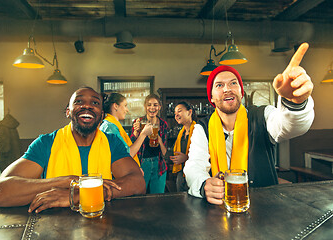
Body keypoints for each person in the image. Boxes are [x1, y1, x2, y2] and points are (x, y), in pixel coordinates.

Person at [183, 42, 315, 205]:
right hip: (220, 212)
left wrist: (294, 102)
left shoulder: (262, 115)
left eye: (233, 83)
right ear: (211, 98)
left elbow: (291, 126)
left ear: (241, 92)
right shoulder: (202, 128)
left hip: (267, 210)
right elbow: (194, 166)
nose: (227, 89)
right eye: (219, 85)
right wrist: (204, 185)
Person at [0, 87, 146, 212]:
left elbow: (138, 182)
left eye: (95, 103)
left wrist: (78, 195)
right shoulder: (46, 143)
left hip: (103, 224)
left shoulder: (111, 142)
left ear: (102, 115)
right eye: (79, 102)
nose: (87, 106)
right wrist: (68, 181)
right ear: (68, 111)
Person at [100, 93, 153, 167]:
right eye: (125, 105)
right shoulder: (109, 128)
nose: (127, 110)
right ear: (116, 106)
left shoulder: (113, 125)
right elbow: (126, 155)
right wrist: (143, 134)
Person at [131, 94, 168, 194]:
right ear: (145, 107)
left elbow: (165, 153)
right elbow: (130, 149)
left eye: (155, 105)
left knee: (158, 199)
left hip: (159, 165)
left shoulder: (163, 124)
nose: (152, 108)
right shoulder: (138, 122)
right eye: (149, 105)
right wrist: (135, 133)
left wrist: (158, 139)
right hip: (142, 164)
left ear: (159, 107)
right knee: (140, 198)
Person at [169, 101, 196, 192]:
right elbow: (171, 153)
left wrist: (186, 158)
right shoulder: (181, 134)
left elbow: (207, 154)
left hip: (195, 175)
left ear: (189, 112)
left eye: (179, 111)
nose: (176, 115)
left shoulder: (198, 130)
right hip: (181, 176)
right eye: (175, 113)